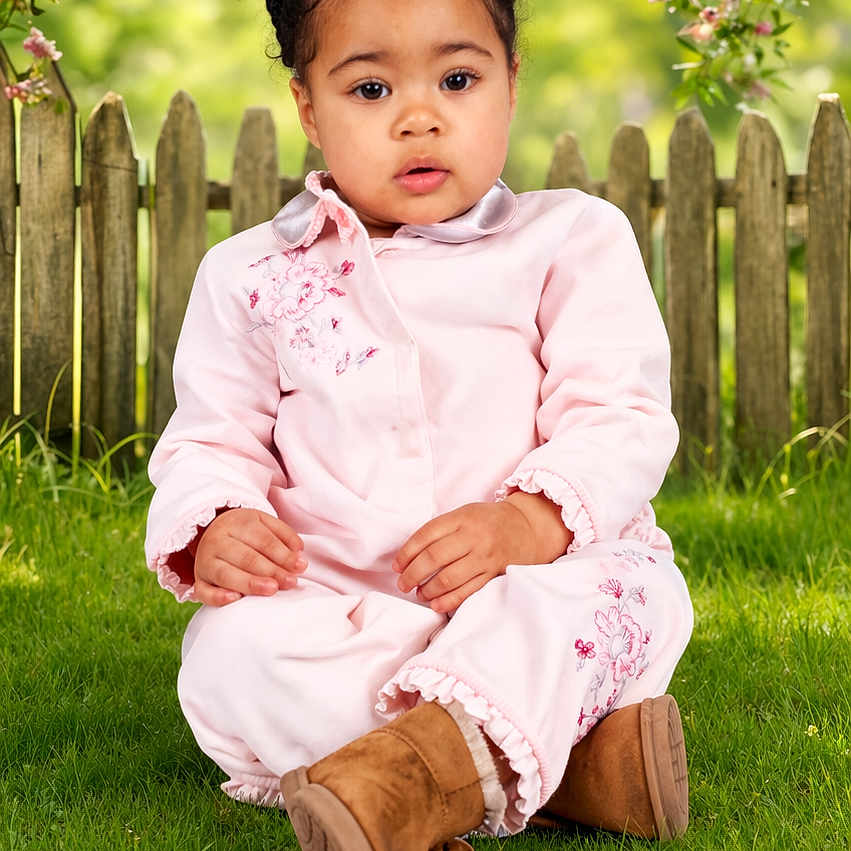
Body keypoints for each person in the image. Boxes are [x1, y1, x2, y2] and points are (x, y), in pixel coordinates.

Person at [144, 0, 695, 847]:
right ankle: (570, 768)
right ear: (308, 111)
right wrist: (217, 521)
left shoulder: (569, 240)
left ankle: (413, 778)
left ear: (510, 87)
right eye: (369, 87)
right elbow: (212, 433)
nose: (419, 116)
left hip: (532, 585)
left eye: (458, 79)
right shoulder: (250, 273)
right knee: (230, 651)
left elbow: (618, 412)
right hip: (344, 603)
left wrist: (529, 520)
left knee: (619, 597)